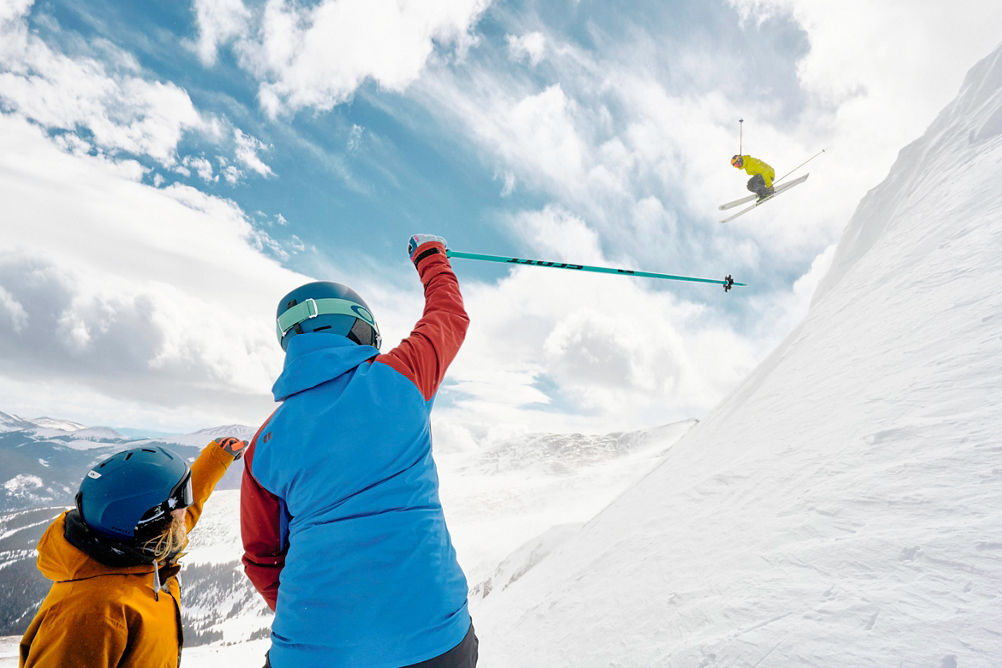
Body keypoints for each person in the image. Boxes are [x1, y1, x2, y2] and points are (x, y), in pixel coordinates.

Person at [241, 234, 477, 668]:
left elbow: (262, 557)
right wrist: (429, 254)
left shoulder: (264, 446)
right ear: (359, 328)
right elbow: (448, 315)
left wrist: (319, 620)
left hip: (311, 653)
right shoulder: (400, 376)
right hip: (437, 639)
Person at [19, 437, 246, 668]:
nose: (186, 510)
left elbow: (181, 515)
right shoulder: (92, 616)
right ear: (152, 522)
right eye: (181, 503)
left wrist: (216, 459)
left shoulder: (141, 548)